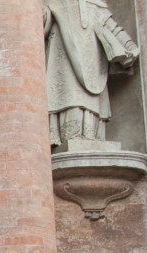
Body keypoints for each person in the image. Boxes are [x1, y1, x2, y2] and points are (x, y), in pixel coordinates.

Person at [43, 0, 140, 148]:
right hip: (64, 60)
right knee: (70, 94)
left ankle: (90, 139)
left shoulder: (94, 3)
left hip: (92, 60)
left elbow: (110, 25)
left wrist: (128, 46)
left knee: (91, 102)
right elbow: (39, 20)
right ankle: (69, 139)